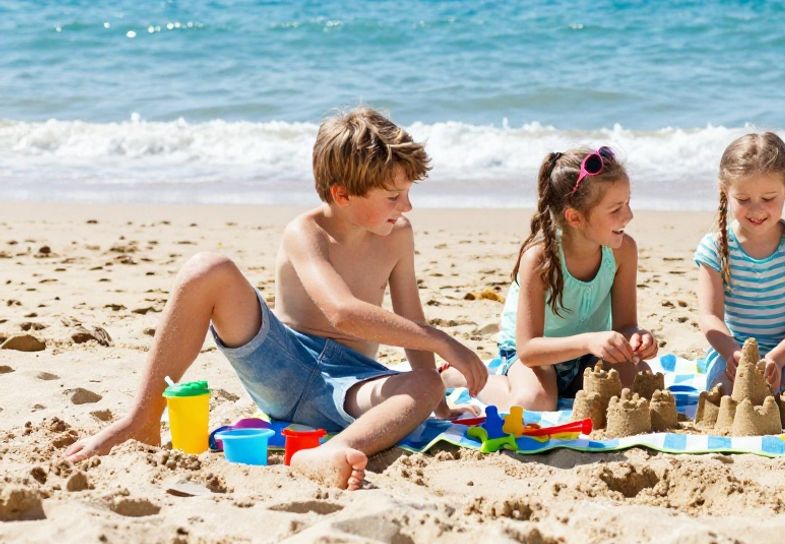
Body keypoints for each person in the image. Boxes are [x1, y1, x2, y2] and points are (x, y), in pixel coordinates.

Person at [64, 107, 488, 489]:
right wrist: (443, 339)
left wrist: (440, 402)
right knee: (206, 269)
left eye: (408, 192)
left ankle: (328, 451)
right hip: (283, 361)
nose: (407, 206)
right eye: (393, 196)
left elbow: (410, 315)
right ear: (342, 194)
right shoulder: (306, 233)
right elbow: (342, 313)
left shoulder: (397, 236)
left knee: (427, 383)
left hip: (351, 381)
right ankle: (141, 420)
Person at [472, 146, 657, 410]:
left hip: (590, 353)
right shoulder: (539, 259)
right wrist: (588, 341)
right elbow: (528, 349)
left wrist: (637, 338)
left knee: (641, 387)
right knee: (534, 402)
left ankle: (564, 386)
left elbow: (626, 325)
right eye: (616, 209)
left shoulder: (623, 251)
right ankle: (473, 378)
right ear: (574, 217)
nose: (629, 216)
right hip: (538, 357)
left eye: (628, 203)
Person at [695, 132, 785, 413]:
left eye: (768, 197)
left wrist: (778, 359)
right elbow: (710, 318)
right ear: (725, 190)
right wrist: (733, 352)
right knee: (724, 400)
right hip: (732, 352)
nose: (756, 209)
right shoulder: (715, 248)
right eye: (743, 199)